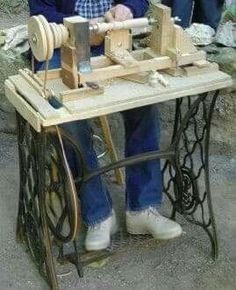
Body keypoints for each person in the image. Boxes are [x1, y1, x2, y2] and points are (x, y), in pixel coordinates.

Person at [28, 0, 182, 251]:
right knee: (68, 117)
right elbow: (39, 10)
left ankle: (143, 209)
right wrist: (80, 29)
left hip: (112, 38)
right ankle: (99, 215)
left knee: (144, 100)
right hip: (63, 42)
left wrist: (127, 8)